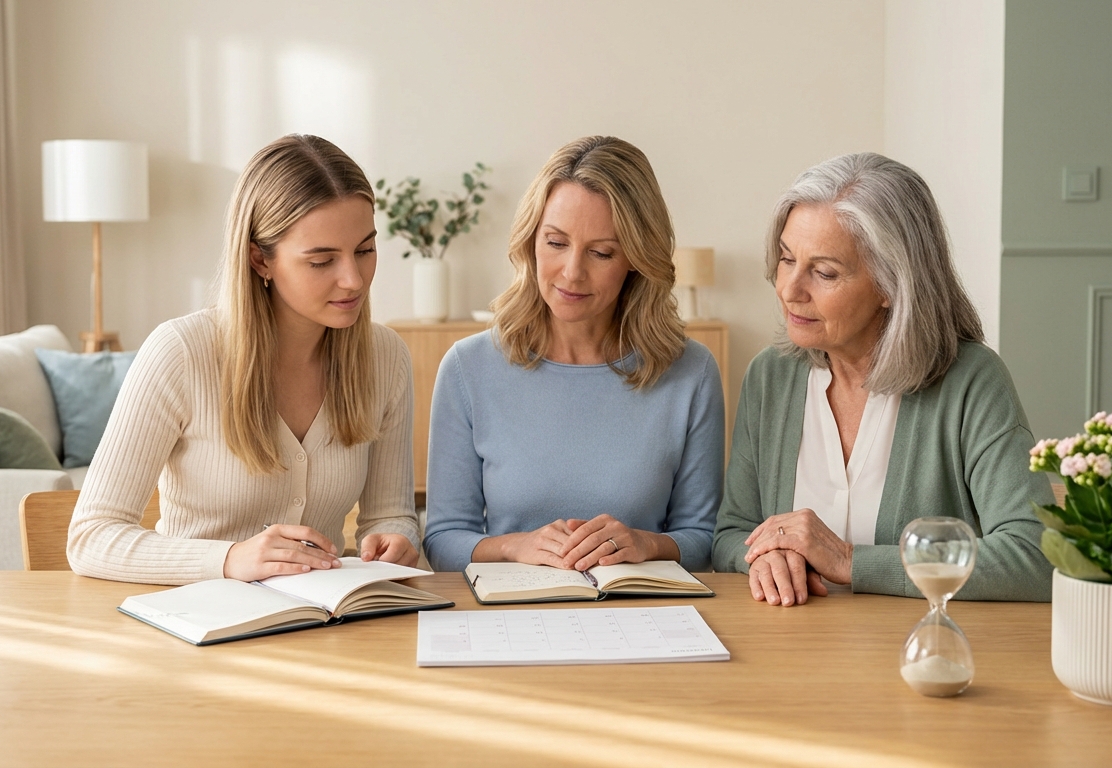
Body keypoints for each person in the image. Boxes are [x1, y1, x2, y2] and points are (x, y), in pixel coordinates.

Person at [68, 134, 420, 584]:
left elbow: (391, 514)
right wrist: (230, 559)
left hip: (322, 629)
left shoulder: (385, 357)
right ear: (259, 260)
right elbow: (91, 537)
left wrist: (395, 536)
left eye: (365, 250)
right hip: (196, 630)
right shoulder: (180, 352)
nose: (353, 279)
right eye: (321, 261)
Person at [713, 152, 1052, 605]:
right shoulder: (770, 375)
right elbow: (732, 532)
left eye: (825, 272)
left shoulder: (972, 381)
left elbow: (1032, 557)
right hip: (791, 653)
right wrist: (763, 555)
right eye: (787, 259)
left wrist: (851, 561)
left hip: (922, 657)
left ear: (893, 285)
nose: (790, 289)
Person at [423, 136, 724, 574]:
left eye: (601, 252)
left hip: (641, 617)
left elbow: (703, 538)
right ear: (530, 240)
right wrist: (513, 547)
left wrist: (646, 544)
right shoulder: (467, 368)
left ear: (636, 259)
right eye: (556, 243)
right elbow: (444, 539)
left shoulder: (691, 372)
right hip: (512, 617)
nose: (572, 272)